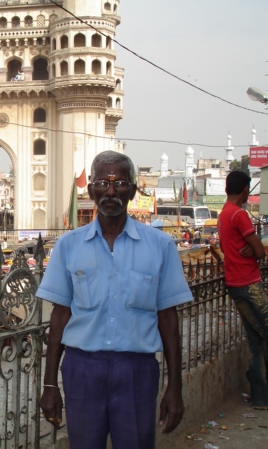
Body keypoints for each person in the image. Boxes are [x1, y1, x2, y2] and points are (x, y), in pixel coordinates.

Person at [37, 151, 192, 448]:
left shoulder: (160, 246)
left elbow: (168, 319)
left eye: (120, 184)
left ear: (133, 191)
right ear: (91, 189)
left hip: (136, 370)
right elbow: (59, 318)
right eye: (102, 184)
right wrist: (49, 384)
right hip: (83, 369)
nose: (111, 192)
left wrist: (175, 386)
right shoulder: (69, 246)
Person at [218, 170, 268, 408]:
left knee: (255, 339)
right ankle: (259, 387)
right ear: (245, 189)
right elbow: (260, 251)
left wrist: (251, 246)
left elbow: (249, 247)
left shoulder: (224, 213)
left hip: (236, 283)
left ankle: (260, 396)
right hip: (249, 283)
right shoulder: (239, 215)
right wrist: (254, 247)